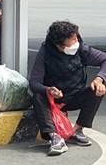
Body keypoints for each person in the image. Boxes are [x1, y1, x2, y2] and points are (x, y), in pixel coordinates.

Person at [29, 21, 106, 156]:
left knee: (98, 89)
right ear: (59, 45)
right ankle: (54, 138)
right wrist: (48, 90)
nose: (76, 41)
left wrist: (100, 78)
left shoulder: (82, 49)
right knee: (37, 96)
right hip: (53, 98)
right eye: (72, 40)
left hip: (75, 95)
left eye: (76, 37)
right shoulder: (45, 52)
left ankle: (77, 130)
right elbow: (34, 82)